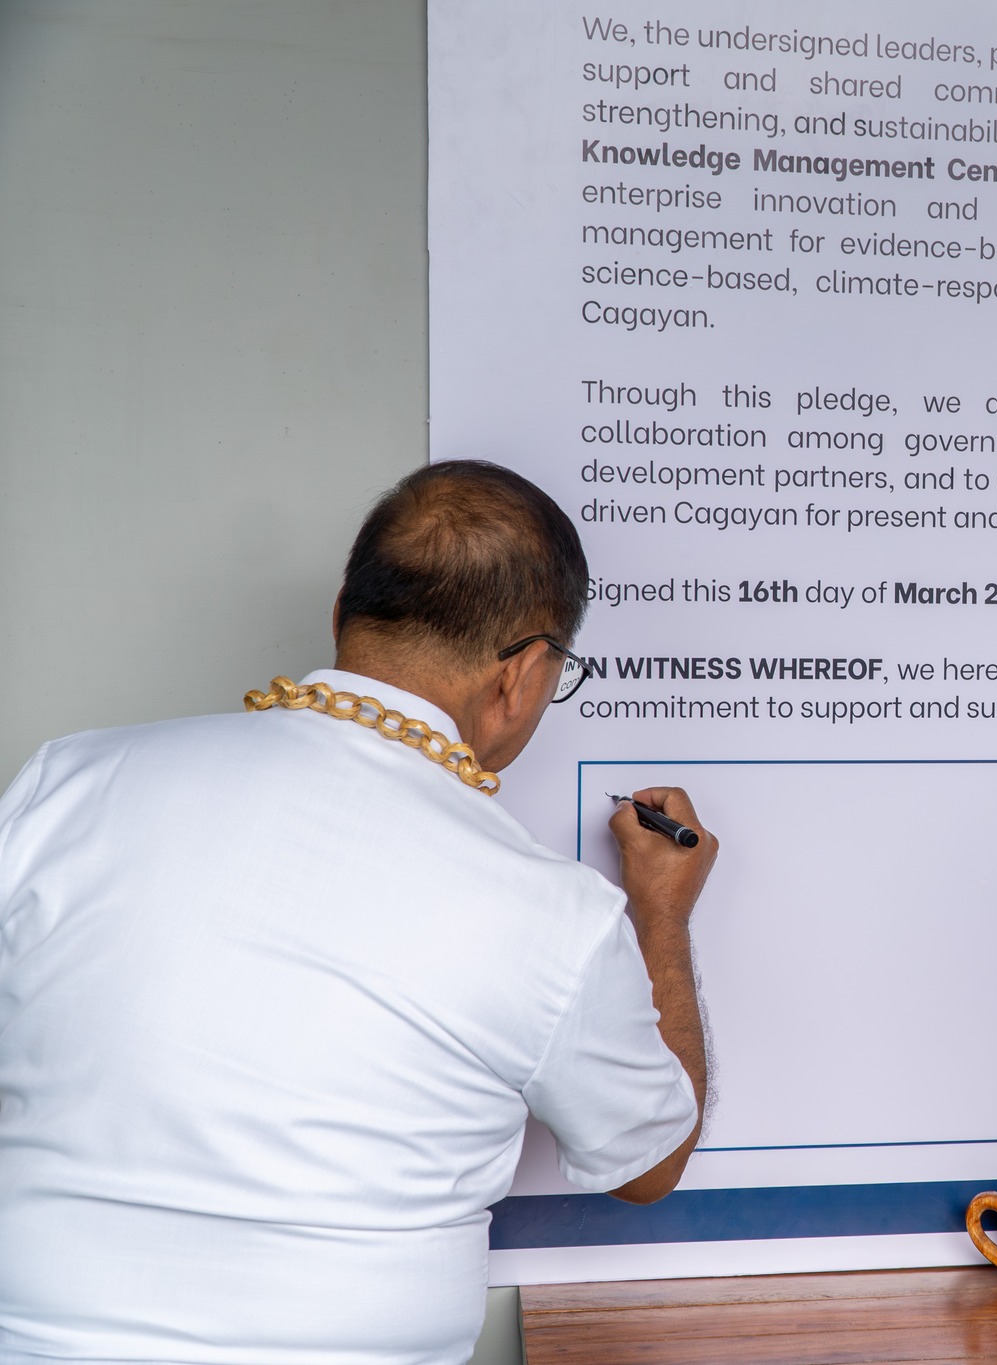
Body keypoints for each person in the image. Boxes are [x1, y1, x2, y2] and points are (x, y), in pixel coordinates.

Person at [0, 461, 717, 1363]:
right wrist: (662, 911)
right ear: (524, 675)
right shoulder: (552, 908)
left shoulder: (66, 782)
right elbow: (648, 1163)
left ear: (342, 612)